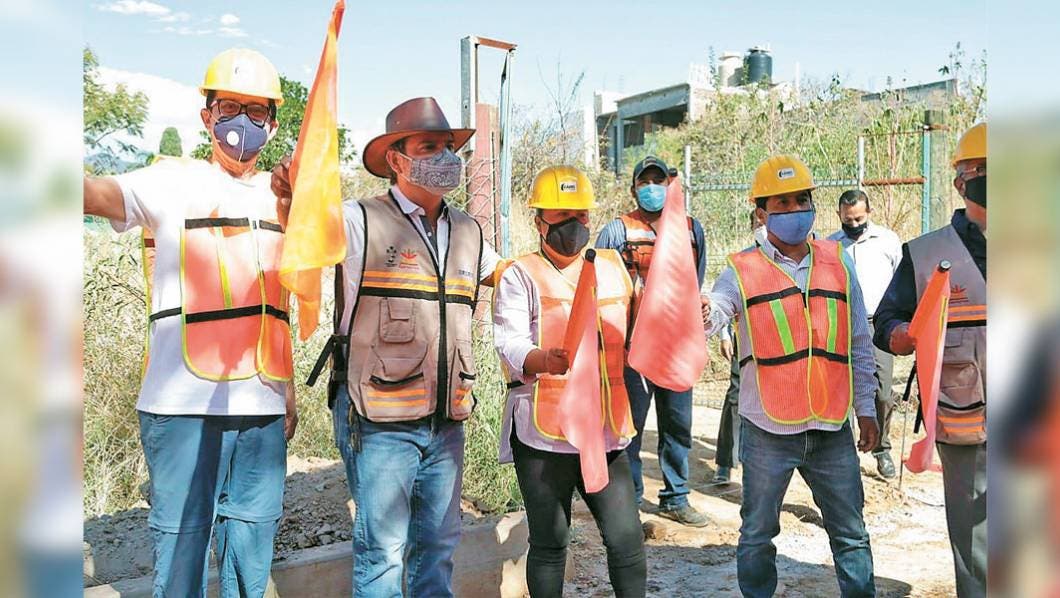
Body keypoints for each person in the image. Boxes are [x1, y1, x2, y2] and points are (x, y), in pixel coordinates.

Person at [83, 48, 295, 598]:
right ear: (207, 115)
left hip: (262, 409)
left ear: (272, 123)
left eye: (256, 112)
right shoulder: (167, 182)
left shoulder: (284, 199)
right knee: (180, 558)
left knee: (252, 562)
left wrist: (287, 391)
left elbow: (283, 302)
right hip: (180, 408)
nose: (241, 124)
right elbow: (93, 194)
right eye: (230, 107)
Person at [274, 97, 501, 597]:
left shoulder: (467, 230)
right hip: (377, 418)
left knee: (439, 546)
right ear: (396, 159)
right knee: (383, 553)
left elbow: (511, 280)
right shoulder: (359, 222)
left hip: (447, 418)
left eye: (448, 147)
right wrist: (293, 200)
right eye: (429, 147)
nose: (445, 158)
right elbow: (304, 239)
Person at [705, 154, 880, 597]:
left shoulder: (837, 261)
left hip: (830, 427)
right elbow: (713, 315)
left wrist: (867, 408)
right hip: (768, 429)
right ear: (761, 213)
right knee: (758, 536)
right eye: (781, 203)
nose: (794, 210)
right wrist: (699, 311)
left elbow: (859, 340)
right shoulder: (740, 270)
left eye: (801, 200)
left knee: (851, 535)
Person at [493, 165, 646, 597]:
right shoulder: (521, 273)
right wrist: (541, 358)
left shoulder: (613, 266)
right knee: (550, 542)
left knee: (626, 540)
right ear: (539, 220)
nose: (571, 227)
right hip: (545, 432)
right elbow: (508, 340)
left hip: (605, 429)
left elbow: (644, 326)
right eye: (560, 218)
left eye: (579, 216)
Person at [873, 122, 987, 597]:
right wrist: (901, 335)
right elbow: (886, 322)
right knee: (975, 537)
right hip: (963, 415)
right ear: (961, 183)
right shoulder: (926, 254)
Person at [595, 155, 710, 527]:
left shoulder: (692, 231)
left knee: (678, 426)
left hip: (676, 350)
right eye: (644, 182)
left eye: (658, 181)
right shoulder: (617, 231)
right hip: (631, 351)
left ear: (669, 185)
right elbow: (599, 283)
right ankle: (631, 500)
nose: (651, 188)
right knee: (629, 428)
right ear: (633, 189)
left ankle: (675, 497)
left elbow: (695, 282)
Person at [827, 189, 902, 479]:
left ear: (868, 213)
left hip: (878, 324)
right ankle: (844, 450)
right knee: (841, 390)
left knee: (882, 391)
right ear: (839, 216)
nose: (854, 224)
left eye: (859, 218)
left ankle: (881, 448)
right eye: (848, 220)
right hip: (841, 324)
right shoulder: (830, 246)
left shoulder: (888, 241)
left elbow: (901, 282)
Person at [713, 210, 765, 484]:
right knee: (736, 394)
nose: (763, 227)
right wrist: (723, 335)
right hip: (746, 337)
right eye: (758, 223)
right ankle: (725, 462)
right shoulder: (741, 262)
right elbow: (721, 301)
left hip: (784, 343)